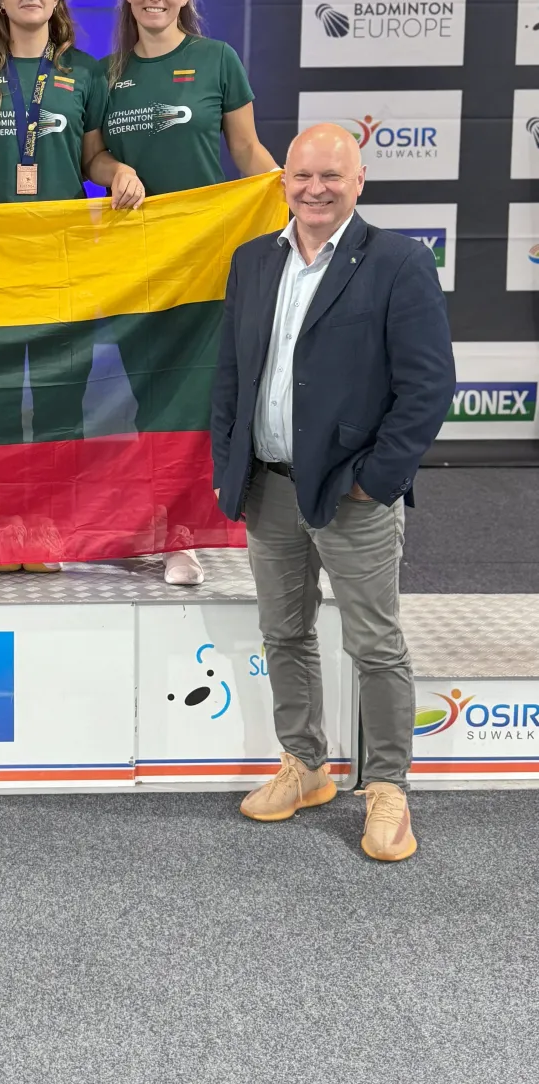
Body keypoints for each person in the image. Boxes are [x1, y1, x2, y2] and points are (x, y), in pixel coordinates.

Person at [211, 123, 455, 863]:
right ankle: (305, 765)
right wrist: (230, 463)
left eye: (331, 176)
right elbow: (231, 374)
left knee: (374, 645)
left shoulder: (397, 262)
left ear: (358, 182)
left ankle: (387, 788)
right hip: (267, 486)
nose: (314, 189)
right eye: (302, 175)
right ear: (283, 180)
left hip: (352, 495)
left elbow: (426, 387)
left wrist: (374, 482)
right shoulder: (253, 260)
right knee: (284, 634)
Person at [0, 0, 141, 573]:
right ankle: (3, 526)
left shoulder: (85, 73)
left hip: (62, 257)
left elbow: (92, 158)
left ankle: (48, 524)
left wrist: (118, 172)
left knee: (59, 397)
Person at [103, 0, 279, 586]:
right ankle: (163, 526)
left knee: (203, 397)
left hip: (207, 260)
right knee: (147, 397)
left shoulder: (217, 60)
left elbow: (248, 152)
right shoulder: (104, 74)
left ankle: (200, 530)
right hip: (136, 263)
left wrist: (292, 202)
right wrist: (114, 169)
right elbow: (91, 155)